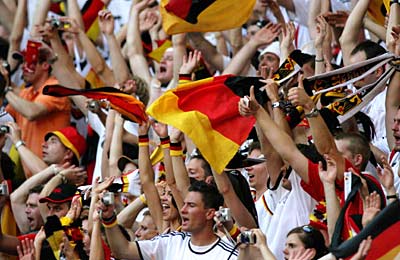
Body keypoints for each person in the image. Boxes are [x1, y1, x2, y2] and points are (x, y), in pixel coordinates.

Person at [99, 180, 239, 259]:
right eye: (184, 204)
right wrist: (109, 219)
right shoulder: (172, 242)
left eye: (191, 205)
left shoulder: (228, 255)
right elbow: (122, 250)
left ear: (210, 214)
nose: (183, 210)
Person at [4, 40, 71, 177]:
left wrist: (4, 89)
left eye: (29, 62)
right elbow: (4, 117)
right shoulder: (26, 93)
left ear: (45, 65)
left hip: (57, 176)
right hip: (33, 178)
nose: (23, 67)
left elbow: (32, 112)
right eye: (22, 62)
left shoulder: (54, 87)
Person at [8, 123, 87, 176]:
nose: (44, 145)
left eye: (53, 141)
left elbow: (44, 175)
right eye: (47, 141)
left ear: (68, 153)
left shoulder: (74, 178)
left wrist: (18, 142)